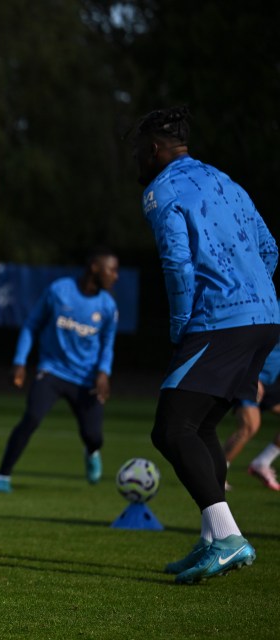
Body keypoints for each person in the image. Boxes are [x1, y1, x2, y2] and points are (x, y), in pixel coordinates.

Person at [131, 106, 280, 584]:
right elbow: (270, 247)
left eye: (140, 150)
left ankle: (230, 538)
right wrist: (253, 292)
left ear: (154, 149)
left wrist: (182, 327)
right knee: (203, 425)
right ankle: (212, 539)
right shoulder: (227, 181)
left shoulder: (162, 189)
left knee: (171, 429)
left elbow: (177, 262)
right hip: (266, 317)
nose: (138, 158)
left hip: (219, 320)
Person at [0, 248, 120, 493]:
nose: (116, 275)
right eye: (111, 269)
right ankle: (2, 477)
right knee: (31, 418)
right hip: (52, 371)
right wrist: (20, 361)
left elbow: (108, 344)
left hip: (86, 378)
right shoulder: (60, 291)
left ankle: (91, 451)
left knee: (94, 437)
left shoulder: (107, 306)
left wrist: (104, 372)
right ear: (94, 267)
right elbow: (31, 325)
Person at [223, 341, 280, 491]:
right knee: (249, 427)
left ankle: (262, 463)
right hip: (251, 377)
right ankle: (217, 475)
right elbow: (250, 343)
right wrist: (253, 376)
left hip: (270, 382)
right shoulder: (272, 319)